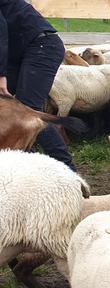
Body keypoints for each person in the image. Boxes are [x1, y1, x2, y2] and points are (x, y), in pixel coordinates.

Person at [1, 0, 74, 169]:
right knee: (13, 110)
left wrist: (1, 75)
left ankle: (70, 172)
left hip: (42, 46)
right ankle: (30, 166)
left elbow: (1, 30)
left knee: (28, 112)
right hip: (21, 50)